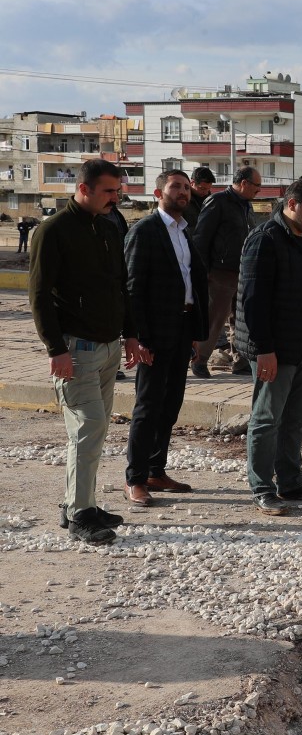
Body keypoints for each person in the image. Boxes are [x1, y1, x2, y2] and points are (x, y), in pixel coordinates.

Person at [29, 159, 145, 544]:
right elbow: (40, 295)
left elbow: (119, 285)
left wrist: (130, 334)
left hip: (110, 347)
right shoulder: (54, 231)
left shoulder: (107, 226)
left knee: (92, 432)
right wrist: (55, 348)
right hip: (75, 350)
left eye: (117, 190)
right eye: (109, 191)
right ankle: (80, 516)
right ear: (84, 190)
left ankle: (80, 504)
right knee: (88, 428)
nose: (117, 197)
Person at [235, 176, 302, 515]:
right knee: (267, 418)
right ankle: (262, 488)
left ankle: (291, 481)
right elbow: (253, 301)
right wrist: (264, 349)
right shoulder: (265, 239)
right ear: (292, 204)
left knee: (295, 418)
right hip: (275, 348)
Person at [123, 169, 209, 507]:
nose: (183, 192)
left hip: (182, 328)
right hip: (153, 334)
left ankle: (156, 470)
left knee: (171, 403)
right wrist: (137, 336)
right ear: (159, 193)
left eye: (187, 188)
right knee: (148, 405)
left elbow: (190, 283)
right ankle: (135, 478)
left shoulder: (185, 232)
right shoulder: (145, 231)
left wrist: (194, 334)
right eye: (176, 187)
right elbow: (132, 289)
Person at [191, 167, 261, 379]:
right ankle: (200, 360)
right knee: (215, 318)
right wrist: (204, 272)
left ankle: (240, 360)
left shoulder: (246, 206)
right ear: (244, 183)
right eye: (256, 185)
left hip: (242, 271)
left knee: (241, 319)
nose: (259, 190)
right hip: (220, 272)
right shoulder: (218, 202)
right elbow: (201, 238)